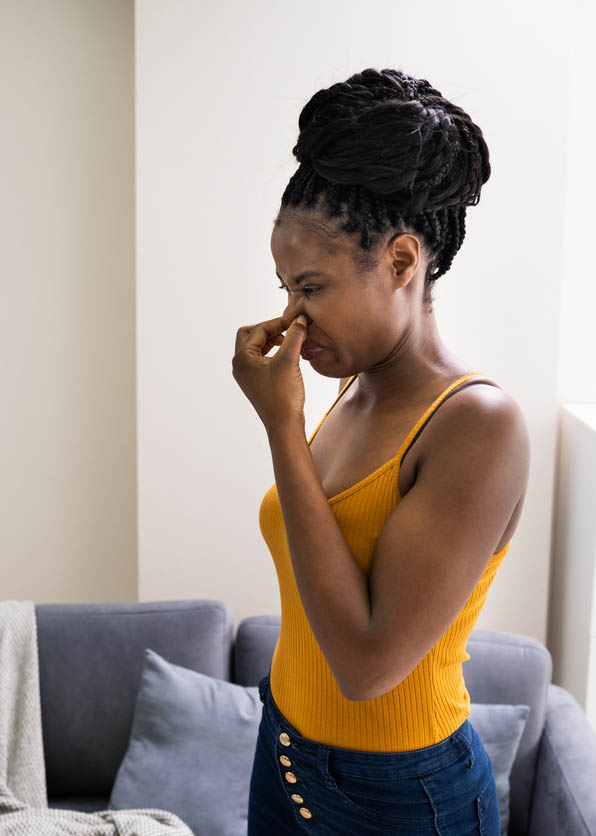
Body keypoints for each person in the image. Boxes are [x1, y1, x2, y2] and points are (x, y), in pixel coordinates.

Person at [231, 67, 530, 835]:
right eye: (283, 288)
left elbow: (366, 667)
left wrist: (281, 433)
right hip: (283, 746)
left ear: (401, 262)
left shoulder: (478, 424)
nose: (291, 319)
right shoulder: (352, 388)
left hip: (399, 796)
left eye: (313, 287)